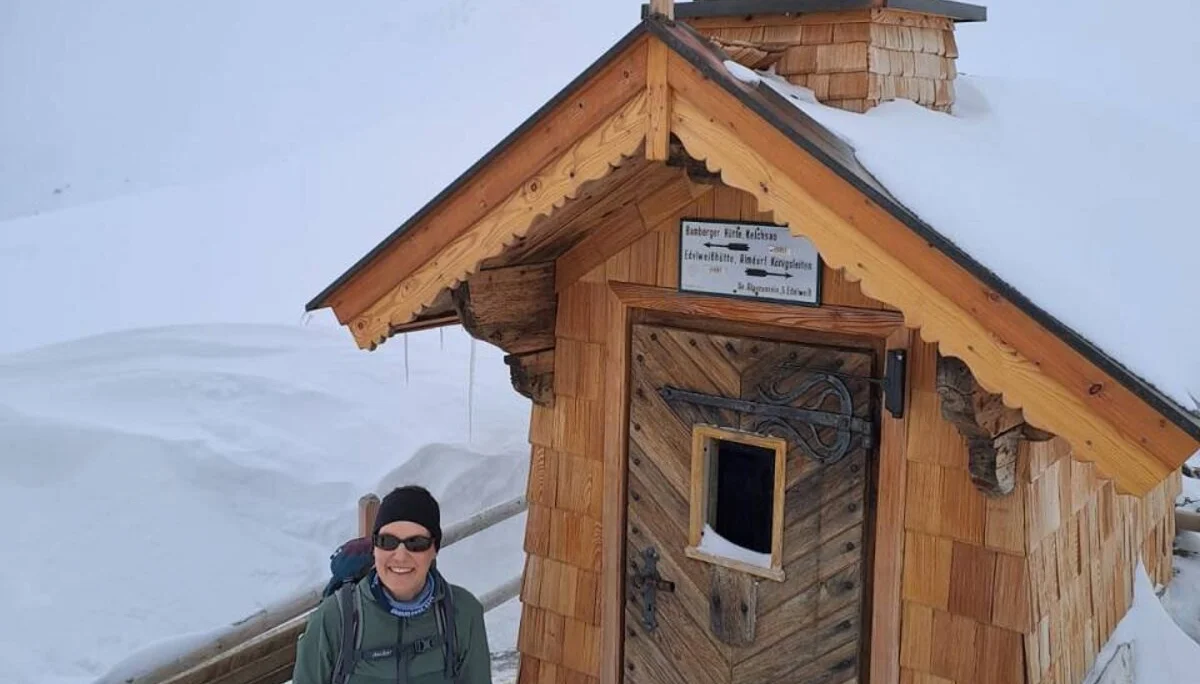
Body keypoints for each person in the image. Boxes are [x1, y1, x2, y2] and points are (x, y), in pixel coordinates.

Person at [293, 485, 492, 683]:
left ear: (434, 549)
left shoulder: (462, 613)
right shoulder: (334, 619)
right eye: (387, 541)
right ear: (375, 548)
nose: (400, 556)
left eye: (416, 543)